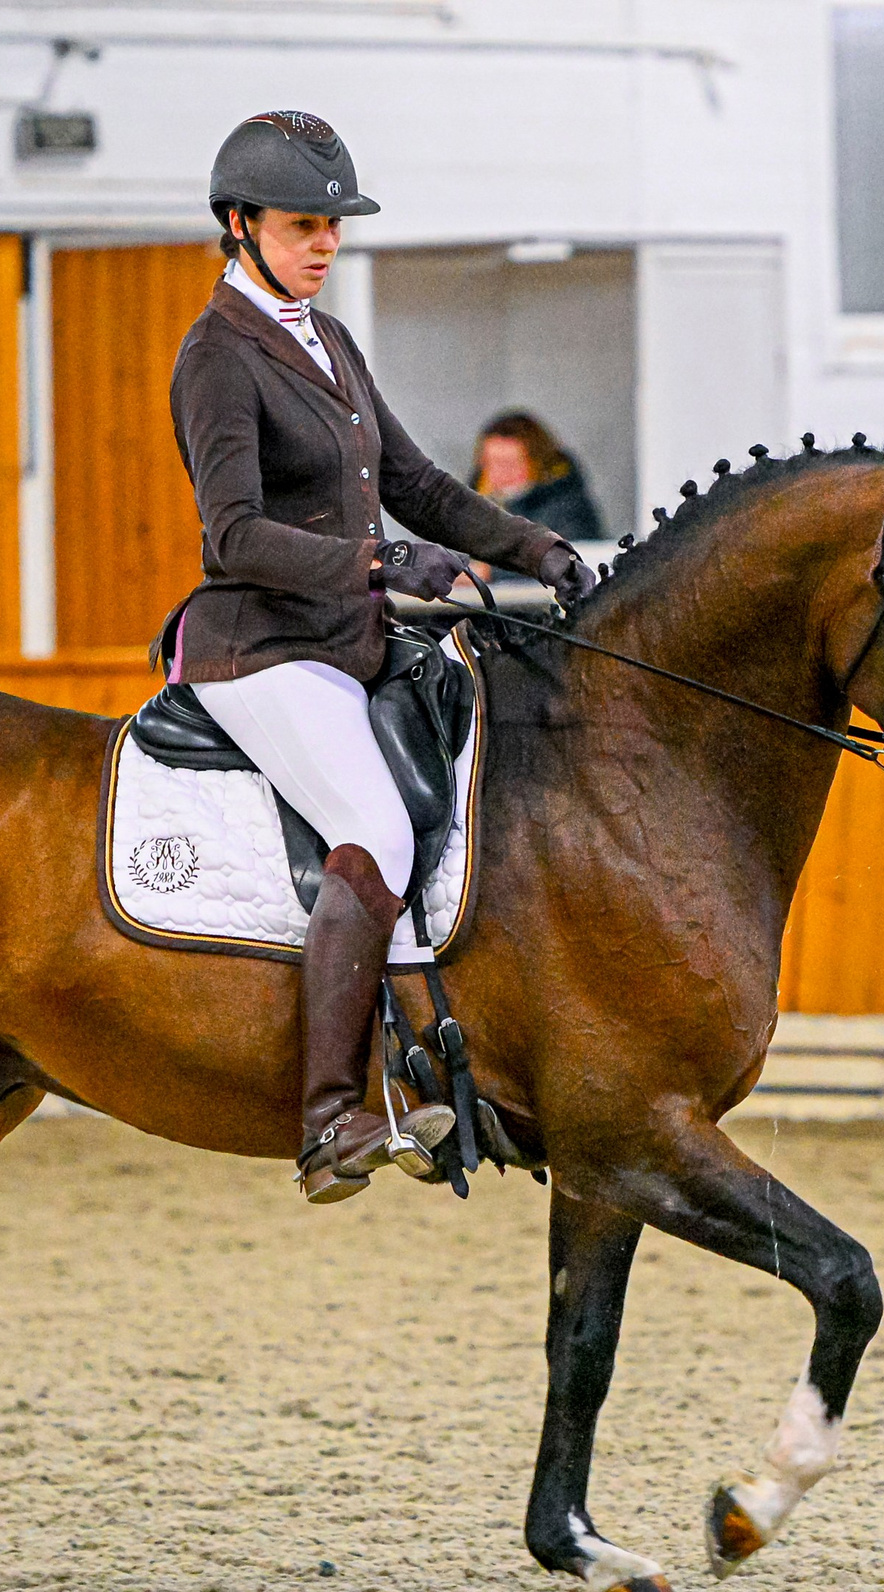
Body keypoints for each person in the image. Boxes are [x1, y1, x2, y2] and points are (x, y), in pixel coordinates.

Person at [160, 111, 599, 1206]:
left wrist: (535, 544)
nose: (323, 246)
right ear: (240, 224)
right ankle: (326, 1120)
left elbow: (421, 484)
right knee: (376, 823)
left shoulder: (329, 339)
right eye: (304, 227)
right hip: (260, 648)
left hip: (349, 643)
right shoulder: (216, 354)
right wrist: (379, 560)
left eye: (331, 228)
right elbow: (234, 535)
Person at [473, 412, 604, 542]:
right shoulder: (473, 502)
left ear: (536, 462)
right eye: (491, 462)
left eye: (510, 463)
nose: (500, 472)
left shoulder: (567, 510)